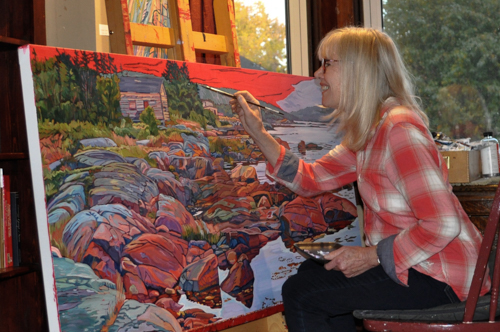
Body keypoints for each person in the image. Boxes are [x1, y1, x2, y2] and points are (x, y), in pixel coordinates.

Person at [229, 27, 491, 332]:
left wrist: (371, 256)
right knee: (311, 277)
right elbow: (310, 179)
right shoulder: (370, 131)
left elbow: (443, 224)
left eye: (328, 63)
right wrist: (258, 133)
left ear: (359, 71)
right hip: (419, 267)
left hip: (442, 276)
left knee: (303, 294)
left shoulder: (399, 129)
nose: (317, 73)